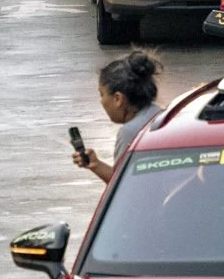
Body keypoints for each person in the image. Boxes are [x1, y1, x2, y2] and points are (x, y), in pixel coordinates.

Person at [69, 51, 163, 182]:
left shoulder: (130, 132)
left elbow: (122, 187)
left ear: (118, 99)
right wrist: (96, 165)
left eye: (102, 94)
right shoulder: (159, 113)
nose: (101, 101)